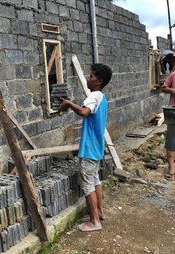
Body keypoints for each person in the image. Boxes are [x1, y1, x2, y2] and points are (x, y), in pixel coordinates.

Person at [59, 64, 112, 232]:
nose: (89, 79)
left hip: (89, 148)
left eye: (91, 77)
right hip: (97, 147)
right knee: (95, 179)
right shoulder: (102, 97)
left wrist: (68, 104)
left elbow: (84, 112)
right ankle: (100, 211)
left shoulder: (93, 96)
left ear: (99, 81)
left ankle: (94, 221)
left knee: (88, 184)